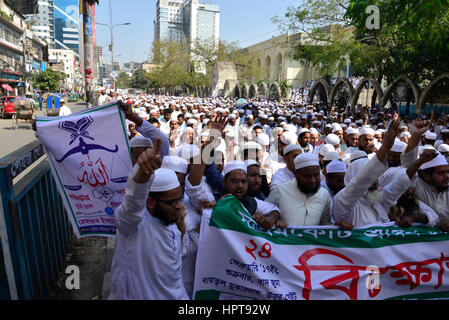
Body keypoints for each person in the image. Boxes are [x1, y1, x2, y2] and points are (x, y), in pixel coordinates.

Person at [109, 140, 191, 300]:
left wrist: (181, 230)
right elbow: (133, 202)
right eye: (172, 202)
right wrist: (142, 175)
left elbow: (173, 271)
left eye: (179, 199)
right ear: (151, 202)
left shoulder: (173, 221)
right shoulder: (133, 225)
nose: (178, 206)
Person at [332, 117, 437, 227]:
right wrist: (385, 147)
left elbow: (400, 184)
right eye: (371, 179)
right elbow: (359, 183)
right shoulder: (342, 203)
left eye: (376, 178)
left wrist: (417, 146)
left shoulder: (377, 201)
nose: (376, 183)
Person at [401, 119, 449, 232]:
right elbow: (407, 167)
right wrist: (416, 136)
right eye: (441, 173)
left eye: (448, 172)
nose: (447, 176)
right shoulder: (417, 184)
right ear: (426, 176)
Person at [266, 153, 332, 227]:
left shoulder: (324, 194)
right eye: (307, 176)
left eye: (316, 175)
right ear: (295, 174)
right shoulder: (280, 190)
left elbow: (326, 224)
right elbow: (265, 215)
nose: (313, 180)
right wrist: (275, 221)